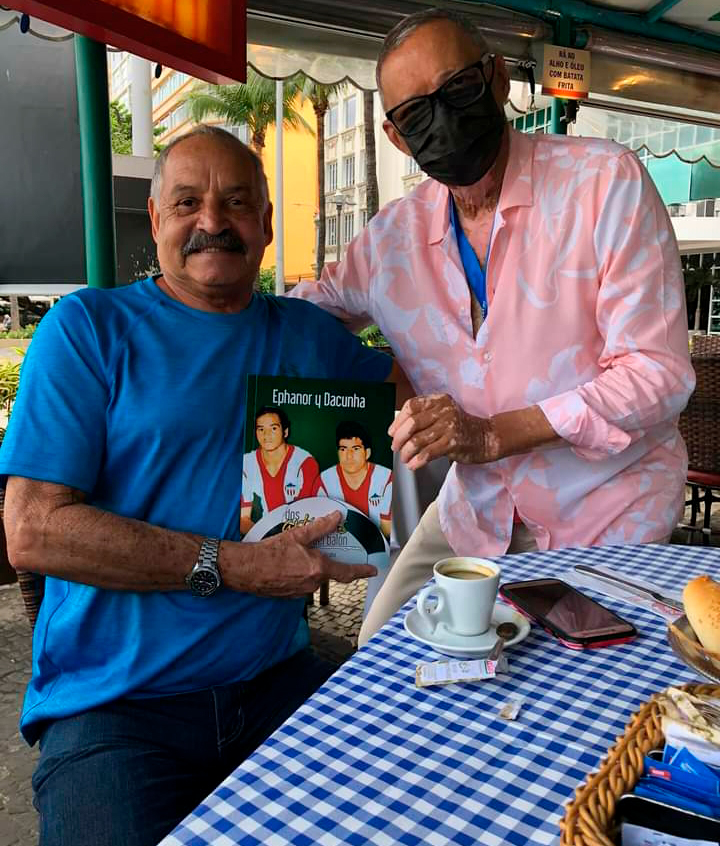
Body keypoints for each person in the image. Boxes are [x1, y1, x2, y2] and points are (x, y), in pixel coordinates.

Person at [0, 125, 401, 846]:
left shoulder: (307, 334)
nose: (213, 221)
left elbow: (406, 392)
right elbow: (31, 530)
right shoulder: (88, 330)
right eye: (187, 202)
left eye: (237, 202)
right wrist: (239, 564)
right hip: (116, 709)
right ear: (156, 221)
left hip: (277, 682)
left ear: (267, 225)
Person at [289, 7, 695, 646]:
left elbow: (657, 374)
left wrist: (492, 435)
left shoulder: (603, 184)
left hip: (606, 512)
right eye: (417, 115)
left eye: (458, 90)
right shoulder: (390, 240)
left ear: (498, 78)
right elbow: (303, 313)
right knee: (379, 647)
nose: (444, 121)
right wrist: (382, 375)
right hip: (473, 511)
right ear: (397, 138)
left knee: (575, 698)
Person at [240, 405, 320, 534]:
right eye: (261, 429)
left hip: (299, 535)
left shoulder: (304, 463)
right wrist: (266, 540)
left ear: (285, 431)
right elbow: (243, 519)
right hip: (265, 537)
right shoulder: (247, 463)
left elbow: (306, 515)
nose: (266, 435)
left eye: (273, 428)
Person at [315, 420, 392, 539]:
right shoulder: (324, 481)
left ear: (367, 453)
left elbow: (386, 532)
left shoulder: (386, 479)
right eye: (343, 449)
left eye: (355, 449)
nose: (349, 456)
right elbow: (318, 527)